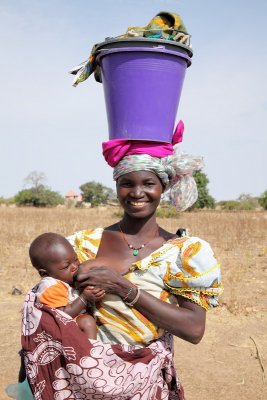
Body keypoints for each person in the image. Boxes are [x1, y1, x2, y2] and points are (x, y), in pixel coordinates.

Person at [29, 232, 105, 339]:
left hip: (71, 326)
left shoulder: (66, 279)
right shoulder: (51, 287)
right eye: (66, 266)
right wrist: (84, 298)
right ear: (45, 274)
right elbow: (62, 316)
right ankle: (91, 353)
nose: (74, 266)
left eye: (75, 259)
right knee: (87, 322)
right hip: (57, 331)